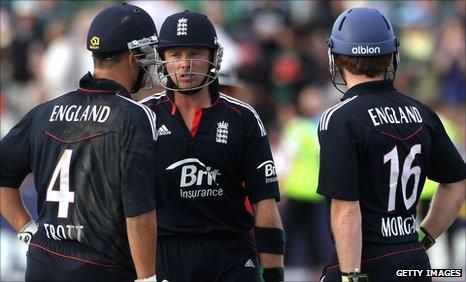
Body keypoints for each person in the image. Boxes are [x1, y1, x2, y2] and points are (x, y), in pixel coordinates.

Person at [0, 4, 159, 282]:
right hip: (101, 269)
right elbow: (138, 211)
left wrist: (27, 230)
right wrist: (147, 278)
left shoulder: (45, 111)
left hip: (42, 263)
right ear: (132, 57)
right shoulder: (133, 116)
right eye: (147, 53)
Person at [317, 7, 466, 282]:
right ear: (391, 55)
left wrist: (351, 276)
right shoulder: (423, 112)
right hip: (412, 259)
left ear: (335, 58)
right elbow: (457, 182)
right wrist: (424, 236)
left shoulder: (340, 118)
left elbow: (346, 207)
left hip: (364, 260)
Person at [141, 11, 285, 282]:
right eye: (175, 54)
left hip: (231, 255)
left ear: (213, 58)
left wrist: (275, 274)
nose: (185, 64)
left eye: (194, 53)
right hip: (165, 256)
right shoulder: (142, 117)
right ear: (163, 59)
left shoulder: (243, 118)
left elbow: (264, 202)